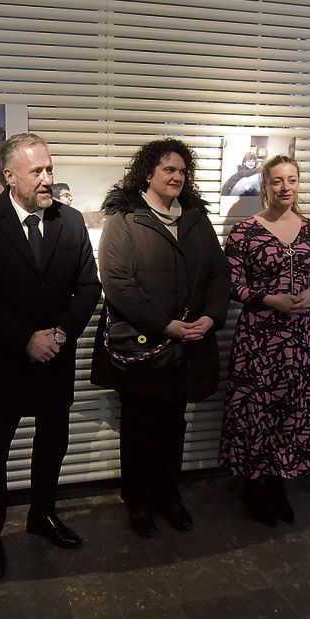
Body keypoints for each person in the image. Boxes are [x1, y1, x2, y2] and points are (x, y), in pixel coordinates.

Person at [0, 133, 101, 578]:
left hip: (55, 359)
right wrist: (25, 339)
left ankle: (42, 515)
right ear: (10, 175)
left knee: (52, 443)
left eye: (50, 169)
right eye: (37, 171)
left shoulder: (70, 221)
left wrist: (57, 334)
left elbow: (89, 288)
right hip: (4, 362)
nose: (47, 179)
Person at [90, 138, 230, 538]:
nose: (176, 177)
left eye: (182, 171)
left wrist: (210, 317)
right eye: (168, 169)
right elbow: (117, 284)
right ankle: (137, 502)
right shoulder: (126, 217)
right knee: (139, 429)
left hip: (189, 346)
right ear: (147, 173)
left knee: (174, 426)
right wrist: (164, 325)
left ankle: (169, 496)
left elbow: (219, 274)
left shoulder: (196, 218)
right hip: (144, 345)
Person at [219, 155, 310, 526]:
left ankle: (279, 483)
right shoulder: (245, 231)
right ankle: (253, 486)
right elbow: (231, 284)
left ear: (298, 184)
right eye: (277, 181)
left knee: (291, 410)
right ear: (265, 186)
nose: (285, 188)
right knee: (255, 411)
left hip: (297, 336)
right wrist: (268, 298)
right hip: (259, 335)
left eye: (291, 180)